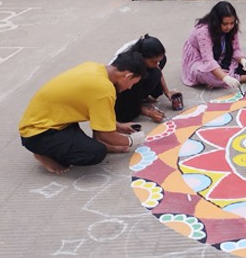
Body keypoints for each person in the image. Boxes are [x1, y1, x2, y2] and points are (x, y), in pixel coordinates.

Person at [18, 52, 147, 174]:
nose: (129, 88)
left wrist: (118, 126)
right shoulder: (104, 89)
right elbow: (106, 135)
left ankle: (51, 146)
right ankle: (42, 152)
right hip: (37, 133)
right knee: (95, 153)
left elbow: (98, 112)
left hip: (51, 120)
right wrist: (132, 140)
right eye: (132, 83)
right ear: (128, 75)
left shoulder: (94, 67)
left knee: (97, 139)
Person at [182, 1, 246, 90]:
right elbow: (208, 61)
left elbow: (235, 50)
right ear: (217, 22)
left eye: (232, 23)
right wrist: (226, 78)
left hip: (222, 56)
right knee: (205, 74)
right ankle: (240, 78)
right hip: (201, 59)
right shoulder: (203, 31)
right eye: (225, 24)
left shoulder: (232, 28)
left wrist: (242, 60)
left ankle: (217, 81)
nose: (229, 27)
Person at [110, 34, 176, 123]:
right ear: (142, 57)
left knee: (157, 70)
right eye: (153, 62)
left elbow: (157, 69)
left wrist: (167, 92)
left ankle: (142, 96)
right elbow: (121, 95)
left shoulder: (144, 49)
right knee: (125, 115)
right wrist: (147, 112)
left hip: (134, 77)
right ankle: (138, 100)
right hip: (120, 91)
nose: (156, 65)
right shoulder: (129, 69)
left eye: (157, 62)